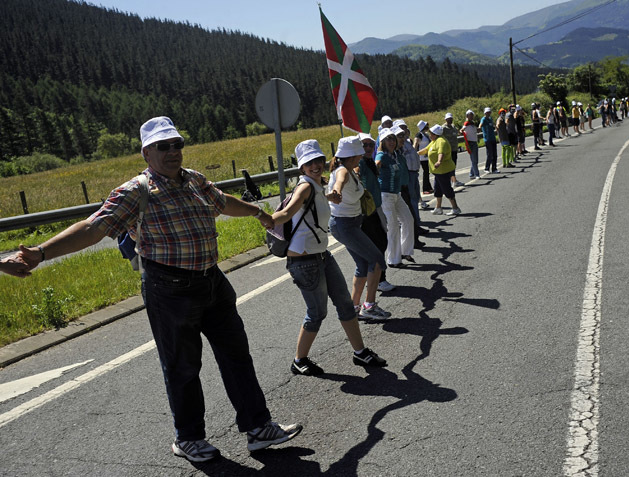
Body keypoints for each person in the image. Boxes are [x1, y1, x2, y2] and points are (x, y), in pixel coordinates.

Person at [5, 116, 302, 462]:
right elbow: (94, 227)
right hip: (170, 290)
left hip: (212, 281)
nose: (173, 151)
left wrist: (258, 214)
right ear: (147, 152)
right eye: (164, 146)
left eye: (177, 144)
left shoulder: (194, 179)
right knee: (183, 367)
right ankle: (189, 438)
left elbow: (223, 201)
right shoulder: (137, 190)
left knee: (237, 356)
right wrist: (42, 253)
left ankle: (258, 428)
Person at [271, 139, 387, 376]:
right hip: (304, 261)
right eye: (309, 162)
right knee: (317, 313)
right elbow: (287, 213)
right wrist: (264, 217)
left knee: (345, 304)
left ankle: (360, 352)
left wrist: (331, 197)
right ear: (302, 167)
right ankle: (299, 360)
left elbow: (324, 194)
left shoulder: (316, 185)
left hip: (322, 255)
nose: (315, 165)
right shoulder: (304, 187)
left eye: (318, 160)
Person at [327, 136, 391, 321]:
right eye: (361, 150)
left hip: (350, 224)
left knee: (363, 264)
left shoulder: (350, 170)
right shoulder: (343, 172)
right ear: (354, 154)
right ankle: (369, 306)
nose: (364, 152)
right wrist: (336, 192)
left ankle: (353, 308)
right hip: (345, 225)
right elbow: (340, 181)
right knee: (377, 260)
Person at [357, 133, 395, 293]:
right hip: (367, 211)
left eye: (370, 145)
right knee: (377, 244)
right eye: (364, 145)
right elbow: (356, 172)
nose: (368, 148)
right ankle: (379, 280)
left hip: (375, 207)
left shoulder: (368, 160)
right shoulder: (360, 162)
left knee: (381, 242)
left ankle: (377, 279)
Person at [376, 128, 415, 267]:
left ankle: (405, 251)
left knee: (408, 220)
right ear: (382, 141)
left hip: (396, 194)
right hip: (385, 195)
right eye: (388, 139)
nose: (391, 141)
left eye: (393, 138)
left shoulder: (395, 155)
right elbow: (377, 165)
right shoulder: (382, 155)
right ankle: (393, 259)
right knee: (392, 227)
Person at [418, 124, 461, 216]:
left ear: (435, 134)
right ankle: (438, 208)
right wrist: (415, 153)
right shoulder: (434, 141)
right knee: (437, 189)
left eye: (431, 134)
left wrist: (439, 161)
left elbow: (441, 153)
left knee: (447, 189)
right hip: (437, 172)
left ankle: (455, 208)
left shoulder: (441, 141)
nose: (430, 135)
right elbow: (426, 150)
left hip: (443, 170)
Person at [395, 120, 426, 247]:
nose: (404, 133)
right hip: (403, 183)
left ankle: (416, 230)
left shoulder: (406, 143)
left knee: (413, 203)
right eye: (401, 132)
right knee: (408, 211)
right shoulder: (396, 150)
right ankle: (411, 239)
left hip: (410, 176)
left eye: (405, 130)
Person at [442, 113, 462, 188]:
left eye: (451, 118)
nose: (450, 120)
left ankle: (454, 180)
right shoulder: (443, 128)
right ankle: (453, 181)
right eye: (448, 119)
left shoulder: (453, 127)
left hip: (454, 149)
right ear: (445, 119)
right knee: (449, 166)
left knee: (453, 166)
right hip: (448, 150)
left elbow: (457, 134)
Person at [414, 120, 433, 196]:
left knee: (427, 172)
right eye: (426, 126)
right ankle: (425, 189)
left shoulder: (425, 134)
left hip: (427, 156)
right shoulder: (419, 135)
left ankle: (428, 187)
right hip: (422, 157)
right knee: (426, 172)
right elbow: (415, 144)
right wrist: (414, 154)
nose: (427, 127)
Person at [461, 109, 480, 179]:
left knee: (475, 160)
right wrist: (461, 131)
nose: (471, 116)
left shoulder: (473, 124)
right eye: (470, 115)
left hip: (475, 142)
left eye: (472, 115)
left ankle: (471, 174)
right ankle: (477, 174)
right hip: (470, 143)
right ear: (467, 116)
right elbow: (462, 129)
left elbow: (475, 131)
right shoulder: (466, 124)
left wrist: (478, 129)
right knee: (474, 160)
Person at [479, 107, 498, 173]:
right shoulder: (483, 119)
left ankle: (494, 168)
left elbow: (493, 125)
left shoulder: (490, 119)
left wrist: (495, 127)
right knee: (489, 154)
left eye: (489, 112)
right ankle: (487, 168)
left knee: (495, 154)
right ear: (485, 113)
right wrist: (479, 128)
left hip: (493, 138)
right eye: (487, 112)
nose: (488, 113)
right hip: (487, 139)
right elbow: (480, 125)